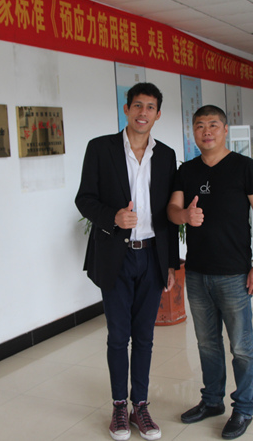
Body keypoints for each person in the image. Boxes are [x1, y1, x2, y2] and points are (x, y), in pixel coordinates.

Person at [75, 82, 179, 441]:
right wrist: (113, 218)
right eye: (137, 105)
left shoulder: (165, 156)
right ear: (126, 109)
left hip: (151, 255)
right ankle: (119, 406)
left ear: (158, 114)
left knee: (145, 337)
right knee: (119, 336)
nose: (142, 113)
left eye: (150, 107)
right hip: (115, 257)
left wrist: (171, 263)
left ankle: (141, 406)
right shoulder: (100, 148)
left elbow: (168, 214)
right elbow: (84, 199)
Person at [167, 105, 253, 440]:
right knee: (207, 344)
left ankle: (244, 407)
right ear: (193, 132)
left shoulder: (245, 167)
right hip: (197, 273)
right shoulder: (187, 170)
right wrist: (185, 216)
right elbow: (172, 209)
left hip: (234, 273)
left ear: (225, 130)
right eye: (200, 126)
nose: (207, 131)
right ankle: (212, 400)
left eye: (213, 125)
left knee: (241, 346)